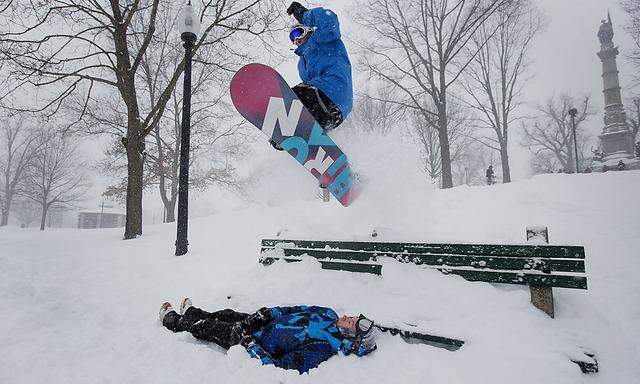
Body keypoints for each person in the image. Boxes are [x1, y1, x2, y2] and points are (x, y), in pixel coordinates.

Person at [159, 299, 376, 374]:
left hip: (255, 340)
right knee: (228, 314)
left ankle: (172, 321)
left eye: (350, 322)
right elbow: (296, 309)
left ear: (348, 334)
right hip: (264, 323)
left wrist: (249, 343)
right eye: (352, 316)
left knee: (210, 328)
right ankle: (192, 312)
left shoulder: (322, 348)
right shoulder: (328, 313)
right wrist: (271, 313)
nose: (346, 316)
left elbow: (279, 366)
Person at [270, 2, 353, 151]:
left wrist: (304, 15)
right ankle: (300, 137)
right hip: (333, 112)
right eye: (292, 38)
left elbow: (328, 20)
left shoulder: (323, 38)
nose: (296, 40)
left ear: (308, 29)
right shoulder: (302, 63)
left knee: (293, 96)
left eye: (298, 33)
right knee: (297, 102)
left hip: (332, 91)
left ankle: (287, 123)